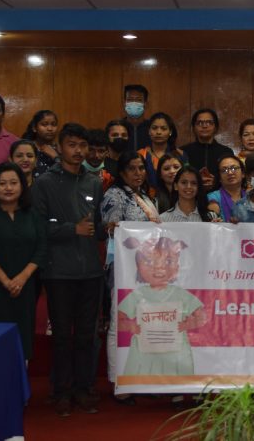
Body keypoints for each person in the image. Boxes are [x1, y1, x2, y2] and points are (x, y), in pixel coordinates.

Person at [31, 123, 106, 417]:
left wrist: (110, 227)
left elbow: (96, 226)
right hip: (58, 271)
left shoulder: (94, 182)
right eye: (72, 145)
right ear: (60, 147)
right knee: (62, 335)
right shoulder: (44, 183)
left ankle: (83, 389)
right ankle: (60, 391)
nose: (78, 151)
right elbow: (37, 227)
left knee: (87, 335)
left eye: (82, 145)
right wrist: (70, 229)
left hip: (91, 271)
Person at [100, 151, 160, 404]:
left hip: (147, 270)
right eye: (132, 168)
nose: (138, 173)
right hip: (123, 268)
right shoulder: (114, 195)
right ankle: (119, 381)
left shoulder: (145, 196)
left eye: (141, 168)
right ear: (122, 172)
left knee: (144, 324)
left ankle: (142, 377)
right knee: (120, 323)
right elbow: (111, 229)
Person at [0, 161, 46, 361]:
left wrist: (22, 278)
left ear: (22, 186)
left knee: (23, 337)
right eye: (2, 183)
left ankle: (21, 376)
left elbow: (42, 247)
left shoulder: (32, 213)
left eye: (13, 183)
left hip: (26, 287)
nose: (8, 188)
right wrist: (6, 281)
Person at [116, 236, 207, 376]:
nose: (159, 267)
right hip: (143, 355)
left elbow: (202, 317)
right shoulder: (137, 295)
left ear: (177, 267)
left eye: (168, 261)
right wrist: (130, 326)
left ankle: (177, 389)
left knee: (177, 381)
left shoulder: (181, 294)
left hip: (176, 354)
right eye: (149, 261)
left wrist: (188, 324)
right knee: (142, 380)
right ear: (138, 266)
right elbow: (118, 320)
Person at [181, 108, 235, 192]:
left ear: (216, 127)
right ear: (194, 128)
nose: (204, 126)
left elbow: (231, 177)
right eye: (200, 123)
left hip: (219, 196)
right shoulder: (184, 151)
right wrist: (196, 179)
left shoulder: (226, 152)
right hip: (190, 195)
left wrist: (215, 181)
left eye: (209, 122)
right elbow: (179, 178)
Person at [137, 112, 183, 185]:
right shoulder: (140, 154)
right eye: (154, 128)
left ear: (170, 132)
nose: (158, 132)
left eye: (163, 129)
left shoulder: (180, 154)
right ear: (149, 131)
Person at [206, 155, 246, 222]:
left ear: (243, 174)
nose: (230, 173)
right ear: (219, 178)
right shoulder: (213, 197)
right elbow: (213, 216)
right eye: (224, 170)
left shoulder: (250, 196)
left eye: (234, 168)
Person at [22, 109, 60, 177]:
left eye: (53, 124)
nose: (50, 129)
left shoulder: (61, 150)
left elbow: (68, 175)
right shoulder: (26, 148)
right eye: (44, 124)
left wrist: (56, 157)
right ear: (34, 128)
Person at [121, 84, 151, 151]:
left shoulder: (152, 127)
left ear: (146, 104)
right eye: (130, 99)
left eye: (139, 100)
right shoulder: (117, 127)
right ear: (124, 103)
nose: (134, 103)